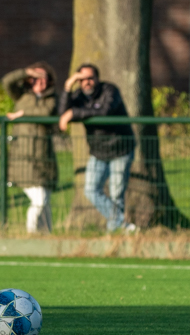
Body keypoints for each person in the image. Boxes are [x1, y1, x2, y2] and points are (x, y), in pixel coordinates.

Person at [58, 64, 136, 232]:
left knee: (116, 193)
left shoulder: (110, 90)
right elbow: (62, 113)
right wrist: (67, 87)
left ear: (97, 79)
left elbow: (105, 111)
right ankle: (121, 225)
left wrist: (75, 113)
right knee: (91, 190)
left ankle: (114, 232)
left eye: (90, 78)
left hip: (120, 149)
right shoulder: (78, 95)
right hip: (98, 152)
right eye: (82, 79)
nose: (87, 82)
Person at [3, 62, 59, 233]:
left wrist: (22, 115)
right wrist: (25, 71)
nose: (40, 82)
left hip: (45, 158)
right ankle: (31, 233)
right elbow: (7, 82)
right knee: (39, 200)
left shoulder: (52, 99)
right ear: (30, 80)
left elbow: (46, 114)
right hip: (23, 157)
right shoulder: (21, 96)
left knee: (46, 201)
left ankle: (47, 234)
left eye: (44, 79)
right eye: (36, 78)